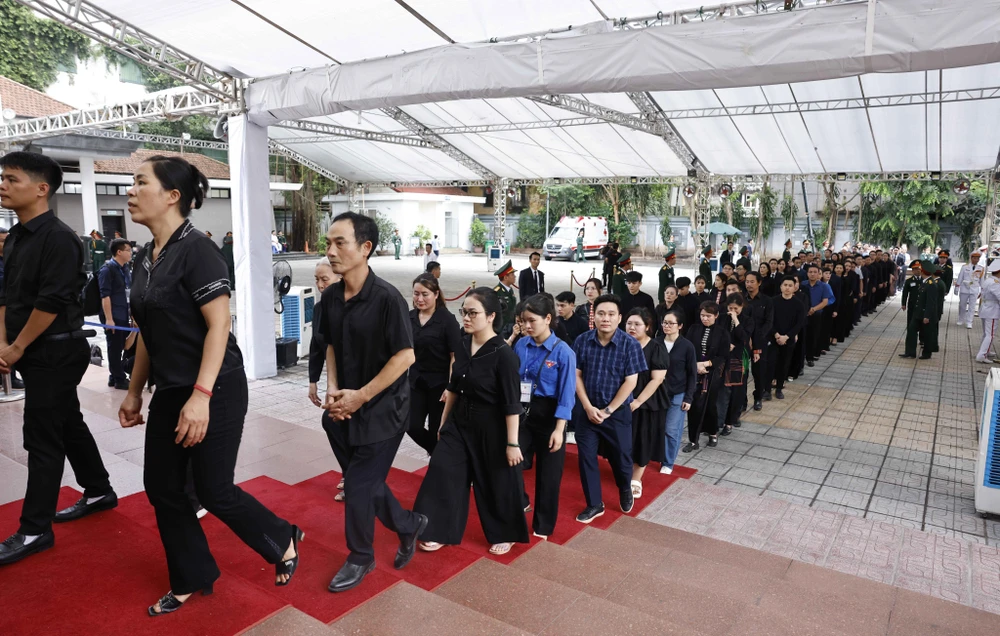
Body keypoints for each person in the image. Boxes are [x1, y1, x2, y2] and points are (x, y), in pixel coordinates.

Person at [115, 155, 300, 614]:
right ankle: (192, 574)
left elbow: (219, 326)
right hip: (172, 389)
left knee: (214, 490)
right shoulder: (143, 257)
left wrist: (200, 397)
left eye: (140, 183)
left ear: (172, 196)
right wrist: (135, 391)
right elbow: (147, 333)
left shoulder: (197, 249)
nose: (130, 192)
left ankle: (281, 536)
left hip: (214, 386)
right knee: (162, 488)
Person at [0, 152, 117, 567]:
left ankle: (35, 530)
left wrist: (15, 348)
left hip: (56, 349)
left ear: (41, 188)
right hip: (30, 349)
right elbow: (7, 296)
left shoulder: (60, 238)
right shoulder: (17, 236)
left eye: (12, 179)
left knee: (42, 436)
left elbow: (50, 302)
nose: (3, 185)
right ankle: (100, 489)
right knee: (66, 421)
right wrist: (5, 344)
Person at [318, 212, 427, 592]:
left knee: (360, 485)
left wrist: (361, 396)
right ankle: (409, 524)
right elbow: (331, 343)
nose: (331, 251)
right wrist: (333, 388)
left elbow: (405, 357)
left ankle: (361, 557)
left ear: (365, 248)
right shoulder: (331, 297)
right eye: (328, 243)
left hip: (383, 411)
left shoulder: (387, 299)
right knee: (367, 481)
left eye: (340, 243)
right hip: (342, 409)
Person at [414, 288, 528, 555]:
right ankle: (439, 530)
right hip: (459, 422)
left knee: (495, 482)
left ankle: (505, 533)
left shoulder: (504, 355)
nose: (466, 318)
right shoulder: (463, 345)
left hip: (493, 426)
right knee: (443, 471)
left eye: (472, 313)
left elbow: (512, 403)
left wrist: (512, 443)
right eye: (463, 312)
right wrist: (443, 424)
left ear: (490, 316)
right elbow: (453, 387)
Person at [572, 294, 646, 523]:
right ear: (594, 316)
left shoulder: (630, 344)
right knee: (586, 458)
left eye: (611, 314)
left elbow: (631, 382)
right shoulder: (582, 340)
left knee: (622, 458)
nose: (606, 318)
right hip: (587, 411)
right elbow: (576, 375)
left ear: (619, 318)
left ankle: (624, 487)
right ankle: (595, 504)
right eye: (601, 313)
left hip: (617, 413)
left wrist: (608, 411)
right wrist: (587, 406)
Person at [513, 295, 575, 539]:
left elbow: (567, 395)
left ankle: (543, 527)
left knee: (548, 477)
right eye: (523, 321)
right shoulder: (521, 344)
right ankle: (521, 500)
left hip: (550, 417)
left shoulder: (563, 352)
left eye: (532, 321)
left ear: (548, 319)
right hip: (523, 413)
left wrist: (560, 429)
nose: (527, 326)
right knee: (510, 463)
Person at [408, 275, 464, 455]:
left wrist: (450, 386)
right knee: (411, 425)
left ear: (436, 294)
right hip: (416, 382)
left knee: (436, 429)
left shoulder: (447, 320)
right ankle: (436, 452)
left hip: (439, 385)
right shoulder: (409, 317)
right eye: (416, 294)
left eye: (425, 294)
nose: (420, 299)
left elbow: (454, 356)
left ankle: (438, 462)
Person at [307, 258, 343, 497]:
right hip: (334, 379)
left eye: (325, 279)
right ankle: (350, 471)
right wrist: (313, 380)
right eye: (317, 280)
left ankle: (354, 474)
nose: (320, 285)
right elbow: (317, 345)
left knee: (339, 422)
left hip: (356, 378)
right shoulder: (320, 308)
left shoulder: (349, 305)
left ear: (339, 278)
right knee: (332, 422)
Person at [624, 308, 668, 499]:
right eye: (629, 323)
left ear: (648, 327)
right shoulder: (621, 344)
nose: (632, 328)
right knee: (625, 439)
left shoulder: (656, 347)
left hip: (647, 401)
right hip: (622, 398)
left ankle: (636, 478)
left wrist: (638, 401)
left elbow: (656, 380)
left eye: (637, 324)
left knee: (643, 439)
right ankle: (624, 470)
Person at [683, 302, 730, 452]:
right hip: (694, 370)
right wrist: (695, 365)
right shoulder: (693, 329)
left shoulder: (722, 333)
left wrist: (707, 364)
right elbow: (687, 348)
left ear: (716, 316)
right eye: (702, 315)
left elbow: (723, 356)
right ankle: (693, 440)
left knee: (710, 405)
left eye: (708, 316)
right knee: (693, 404)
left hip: (712, 372)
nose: (705, 318)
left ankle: (712, 432)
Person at [660, 310, 695, 474]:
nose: (666, 326)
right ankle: (657, 456)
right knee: (658, 428)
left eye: (670, 323)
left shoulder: (687, 346)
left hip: (678, 393)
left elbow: (692, 373)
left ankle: (668, 463)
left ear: (680, 326)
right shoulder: (656, 342)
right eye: (664, 322)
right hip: (657, 393)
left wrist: (688, 397)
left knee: (671, 429)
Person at [98, 238, 133, 390]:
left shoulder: (124, 269)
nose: (131, 253)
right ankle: (120, 379)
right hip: (113, 315)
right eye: (128, 250)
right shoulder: (107, 270)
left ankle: (113, 376)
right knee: (114, 346)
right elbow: (105, 296)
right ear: (119, 252)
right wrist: (109, 319)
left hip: (123, 312)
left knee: (119, 346)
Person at [717, 294, 753, 436]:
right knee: (722, 390)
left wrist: (736, 319)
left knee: (736, 392)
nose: (732, 311)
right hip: (724, 357)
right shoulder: (722, 318)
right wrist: (726, 344)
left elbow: (744, 337)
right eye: (730, 308)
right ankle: (719, 421)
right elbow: (718, 334)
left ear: (741, 307)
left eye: (736, 308)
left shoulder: (747, 320)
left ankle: (730, 422)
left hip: (738, 358)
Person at [769, 276, 806, 398]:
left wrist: (787, 336)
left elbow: (799, 323)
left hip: (788, 339)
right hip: (773, 337)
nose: (787, 288)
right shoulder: (773, 301)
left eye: (790, 285)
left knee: (784, 364)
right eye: (785, 285)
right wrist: (776, 334)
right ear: (781, 286)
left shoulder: (799, 304)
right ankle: (766, 389)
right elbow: (770, 320)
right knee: (771, 362)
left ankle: (779, 388)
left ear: (794, 287)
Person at [745, 272, 774, 409]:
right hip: (744, 340)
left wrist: (757, 338)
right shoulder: (741, 300)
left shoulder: (767, 301)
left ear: (759, 283)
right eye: (747, 281)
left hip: (760, 341)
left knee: (759, 371)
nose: (749, 284)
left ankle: (758, 398)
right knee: (742, 372)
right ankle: (741, 401)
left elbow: (769, 322)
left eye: (752, 281)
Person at [900, 260, 937, 359]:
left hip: (924, 314)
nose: (919, 271)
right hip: (917, 313)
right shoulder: (924, 282)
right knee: (911, 330)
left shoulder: (931, 284)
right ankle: (910, 352)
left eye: (920, 269)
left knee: (926, 334)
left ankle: (926, 354)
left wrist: (927, 316)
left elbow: (930, 302)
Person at [803, 264, 835, 367]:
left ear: (818, 274)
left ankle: (810, 357)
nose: (812, 274)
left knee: (813, 336)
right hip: (803, 315)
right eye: (810, 272)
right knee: (803, 336)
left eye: (815, 272)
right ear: (807, 273)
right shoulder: (802, 285)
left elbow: (825, 301)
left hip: (816, 315)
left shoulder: (824, 286)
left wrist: (813, 309)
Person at [976, 259, 1000, 363]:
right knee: (990, 334)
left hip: (985, 309)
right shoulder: (995, 283)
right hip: (992, 310)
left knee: (986, 333)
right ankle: (982, 355)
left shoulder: (988, 280)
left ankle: (986, 350)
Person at [956, 251, 983, 329]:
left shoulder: (981, 268)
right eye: (974, 258)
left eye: (977, 258)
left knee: (972, 306)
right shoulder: (965, 267)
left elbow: (982, 280)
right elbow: (960, 277)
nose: (976, 260)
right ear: (971, 258)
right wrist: (957, 287)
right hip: (965, 288)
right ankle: (961, 319)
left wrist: (982, 290)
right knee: (962, 305)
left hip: (974, 289)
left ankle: (969, 322)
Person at [493, 260, 517, 338]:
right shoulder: (497, 291)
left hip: (511, 327)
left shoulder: (510, 290)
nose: (515, 276)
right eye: (512, 274)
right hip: (501, 328)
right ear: (506, 277)